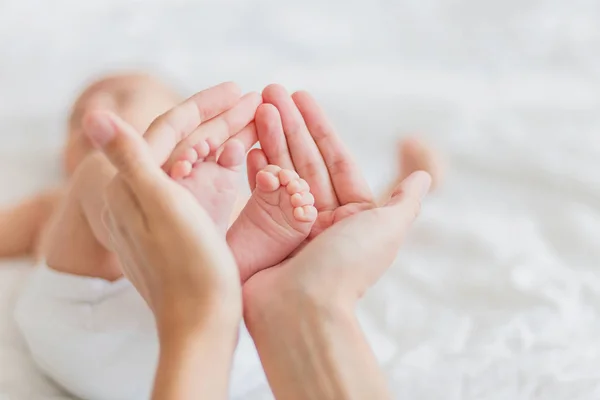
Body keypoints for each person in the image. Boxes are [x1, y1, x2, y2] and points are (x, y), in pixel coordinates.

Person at [10, 75, 440, 399]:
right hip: (93, 320)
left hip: (226, 352)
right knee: (100, 175)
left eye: (122, 96)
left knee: (286, 225)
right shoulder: (53, 201)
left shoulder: (232, 197)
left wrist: (398, 186)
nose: (95, 110)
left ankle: (204, 253)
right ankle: (143, 216)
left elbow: (347, 224)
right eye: (75, 118)